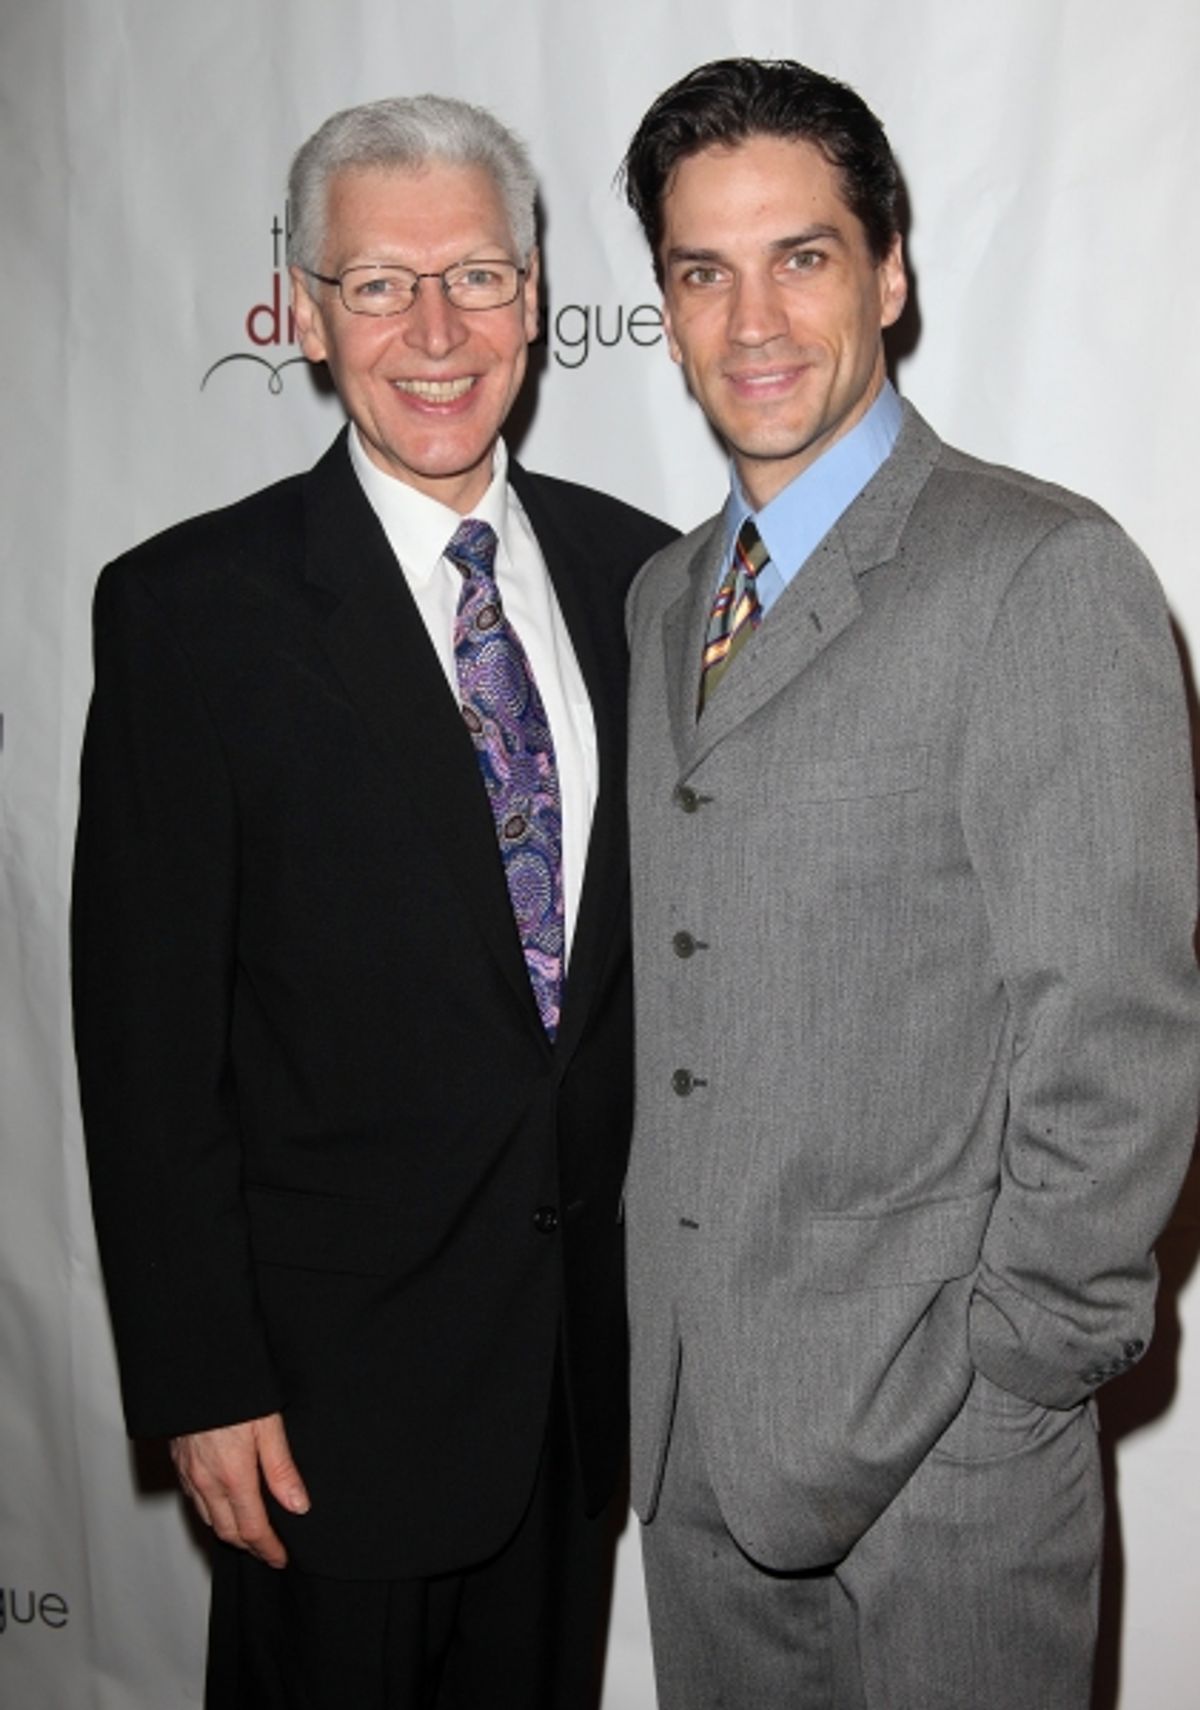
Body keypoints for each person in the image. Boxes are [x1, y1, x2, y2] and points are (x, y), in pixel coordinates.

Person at [72, 93, 674, 1710]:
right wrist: (203, 1379)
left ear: (538, 299)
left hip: (573, 1386)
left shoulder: (650, 579)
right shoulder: (192, 613)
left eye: (476, 276)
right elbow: (147, 1044)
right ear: (307, 313)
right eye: (379, 283)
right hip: (323, 1419)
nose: (434, 327)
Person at [618, 56, 1199, 1710]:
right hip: (699, 1445)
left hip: (949, 1464)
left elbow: (1118, 1034)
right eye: (701, 270)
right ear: (661, 303)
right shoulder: (665, 598)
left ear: (889, 269)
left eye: (799, 255)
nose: (752, 319)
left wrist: (1015, 1371)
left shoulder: (1042, 573)